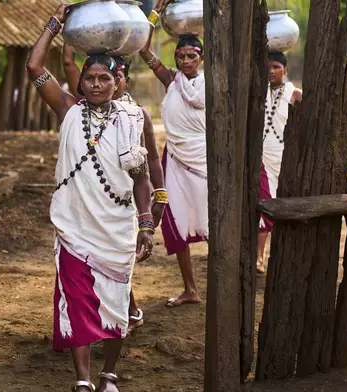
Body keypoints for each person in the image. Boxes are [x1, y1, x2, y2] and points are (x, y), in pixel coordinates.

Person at [26, 4, 154, 391]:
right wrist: (55, 24)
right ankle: (83, 380)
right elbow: (34, 68)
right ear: (80, 82)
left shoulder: (131, 120)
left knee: (115, 300)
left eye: (104, 78)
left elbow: (142, 178)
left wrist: (146, 224)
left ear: (117, 83)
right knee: (77, 300)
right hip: (75, 227)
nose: (96, 84)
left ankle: (109, 373)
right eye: (90, 78)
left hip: (117, 226)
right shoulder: (67, 109)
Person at [62, 45, 166, 332]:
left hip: (124, 198)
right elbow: (68, 64)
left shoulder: (134, 115)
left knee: (117, 257)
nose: (104, 83)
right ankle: (87, 322)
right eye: (94, 78)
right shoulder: (81, 110)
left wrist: (161, 194)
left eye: (114, 76)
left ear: (123, 81)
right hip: (85, 198)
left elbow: (152, 161)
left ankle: (121, 314)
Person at [139, 12, 207, 307]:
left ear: (201, 58)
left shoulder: (213, 84)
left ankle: (224, 286)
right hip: (176, 160)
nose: (185, 61)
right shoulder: (171, 80)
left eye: (191, 55)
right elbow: (143, 49)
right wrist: (154, 14)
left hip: (206, 162)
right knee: (176, 223)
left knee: (215, 223)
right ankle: (190, 289)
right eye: (180, 56)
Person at [257, 51, 302, 274]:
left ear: (285, 69)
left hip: (283, 157)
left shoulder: (294, 94)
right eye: (268, 67)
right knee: (265, 201)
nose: (271, 71)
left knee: (281, 203)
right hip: (262, 157)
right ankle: (258, 256)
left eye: (276, 66)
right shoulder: (258, 92)